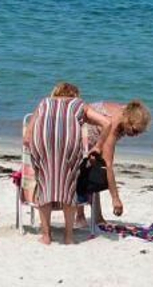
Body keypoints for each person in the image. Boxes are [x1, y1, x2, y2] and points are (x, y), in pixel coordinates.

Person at [23, 93, 118, 245]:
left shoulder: (44, 103)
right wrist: (98, 146)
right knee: (69, 187)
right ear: (74, 96)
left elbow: (27, 136)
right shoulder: (79, 104)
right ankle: (68, 237)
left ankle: (46, 236)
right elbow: (107, 123)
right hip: (69, 143)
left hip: (42, 141)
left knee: (44, 186)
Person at [77, 99, 151, 225]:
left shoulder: (127, 111)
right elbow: (108, 165)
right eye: (134, 130)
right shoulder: (113, 126)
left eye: (139, 132)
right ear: (128, 121)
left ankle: (96, 216)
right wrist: (115, 199)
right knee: (88, 171)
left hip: (93, 132)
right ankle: (80, 216)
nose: (136, 135)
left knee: (93, 169)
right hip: (82, 133)